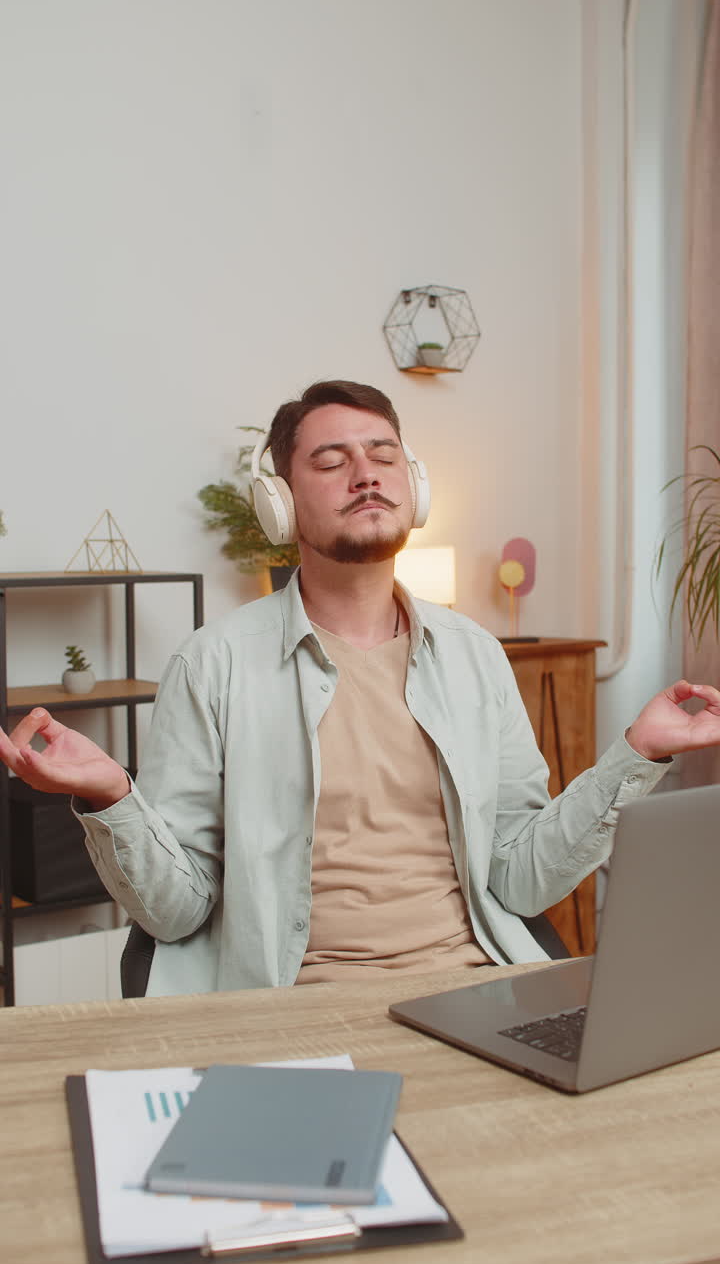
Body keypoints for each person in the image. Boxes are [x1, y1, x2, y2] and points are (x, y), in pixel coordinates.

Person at [1, 380, 720, 997]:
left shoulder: (475, 655)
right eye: (331, 460)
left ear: (416, 486)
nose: (366, 474)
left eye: (383, 455)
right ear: (278, 505)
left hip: (478, 987)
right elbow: (177, 913)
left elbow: (521, 881)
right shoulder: (212, 664)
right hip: (300, 1004)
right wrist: (111, 797)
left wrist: (638, 753)